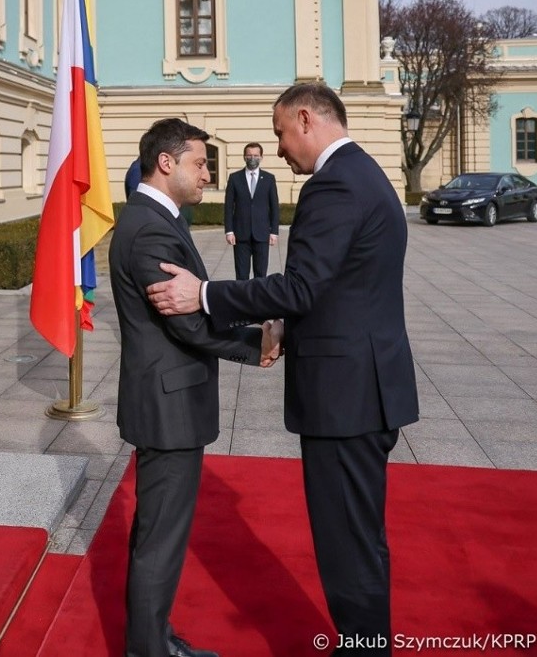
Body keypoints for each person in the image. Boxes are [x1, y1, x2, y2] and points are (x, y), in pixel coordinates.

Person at [146, 83, 419, 655]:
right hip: (364, 386)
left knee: (348, 547)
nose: (277, 148)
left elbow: (299, 286)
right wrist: (287, 330)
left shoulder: (335, 183)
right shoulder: (367, 173)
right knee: (359, 539)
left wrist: (207, 295)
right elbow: (346, 287)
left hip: (346, 398)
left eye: (278, 133)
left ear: (305, 119)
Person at [109, 117, 282, 657]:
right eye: (200, 162)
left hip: (167, 397)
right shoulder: (151, 228)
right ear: (166, 163)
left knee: (156, 530)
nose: (208, 173)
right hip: (168, 404)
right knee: (161, 538)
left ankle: (152, 637)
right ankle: (149, 650)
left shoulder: (157, 218)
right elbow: (186, 320)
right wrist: (258, 344)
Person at [224, 142, 279, 279]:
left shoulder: (269, 179)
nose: (252, 158)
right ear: (244, 157)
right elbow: (229, 206)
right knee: (241, 275)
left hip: (262, 234)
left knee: (261, 274)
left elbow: (274, 207)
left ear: (261, 157)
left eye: (255, 155)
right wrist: (229, 231)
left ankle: (258, 300)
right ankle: (241, 300)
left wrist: (274, 232)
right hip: (240, 234)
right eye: (249, 155)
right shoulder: (235, 178)